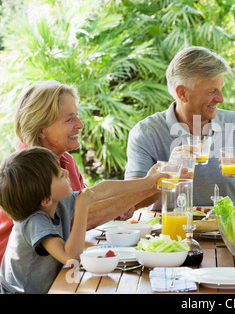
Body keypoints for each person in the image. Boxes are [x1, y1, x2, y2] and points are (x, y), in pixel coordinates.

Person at [0, 80, 159, 262]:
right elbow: (81, 218)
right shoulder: (26, 171)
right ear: (42, 130)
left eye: (77, 116)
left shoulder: (65, 161)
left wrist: (125, 203)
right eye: (69, 119)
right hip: (25, 279)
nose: (80, 124)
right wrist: (151, 187)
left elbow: (93, 196)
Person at [0, 147, 165, 293]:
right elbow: (70, 257)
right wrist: (81, 209)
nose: (65, 172)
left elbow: (103, 189)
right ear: (46, 200)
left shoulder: (56, 202)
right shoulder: (35, 222)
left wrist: (147, 182)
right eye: (59, 174)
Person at [125, 46, 235, 208]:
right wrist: (169, 172)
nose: (221, 98)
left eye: (221, 89)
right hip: (167, 230)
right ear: (182, 94)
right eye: (212, 91)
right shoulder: (146, 132)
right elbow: (131, 201)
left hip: (224, 229)